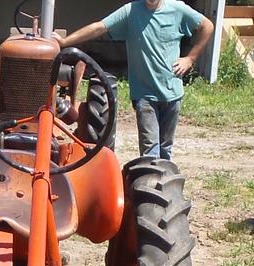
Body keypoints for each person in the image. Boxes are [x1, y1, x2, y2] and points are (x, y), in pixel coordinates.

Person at [58, 0, 214, 160]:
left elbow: (207, 26)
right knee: (150, 150)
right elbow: (99, 27)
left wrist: (190, 58)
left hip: (172, 93)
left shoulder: (177, 9)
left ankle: (163, 182)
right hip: (144, 94)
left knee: (165, 149)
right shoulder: (131, 11)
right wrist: (64, 42)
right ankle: (150, 181)